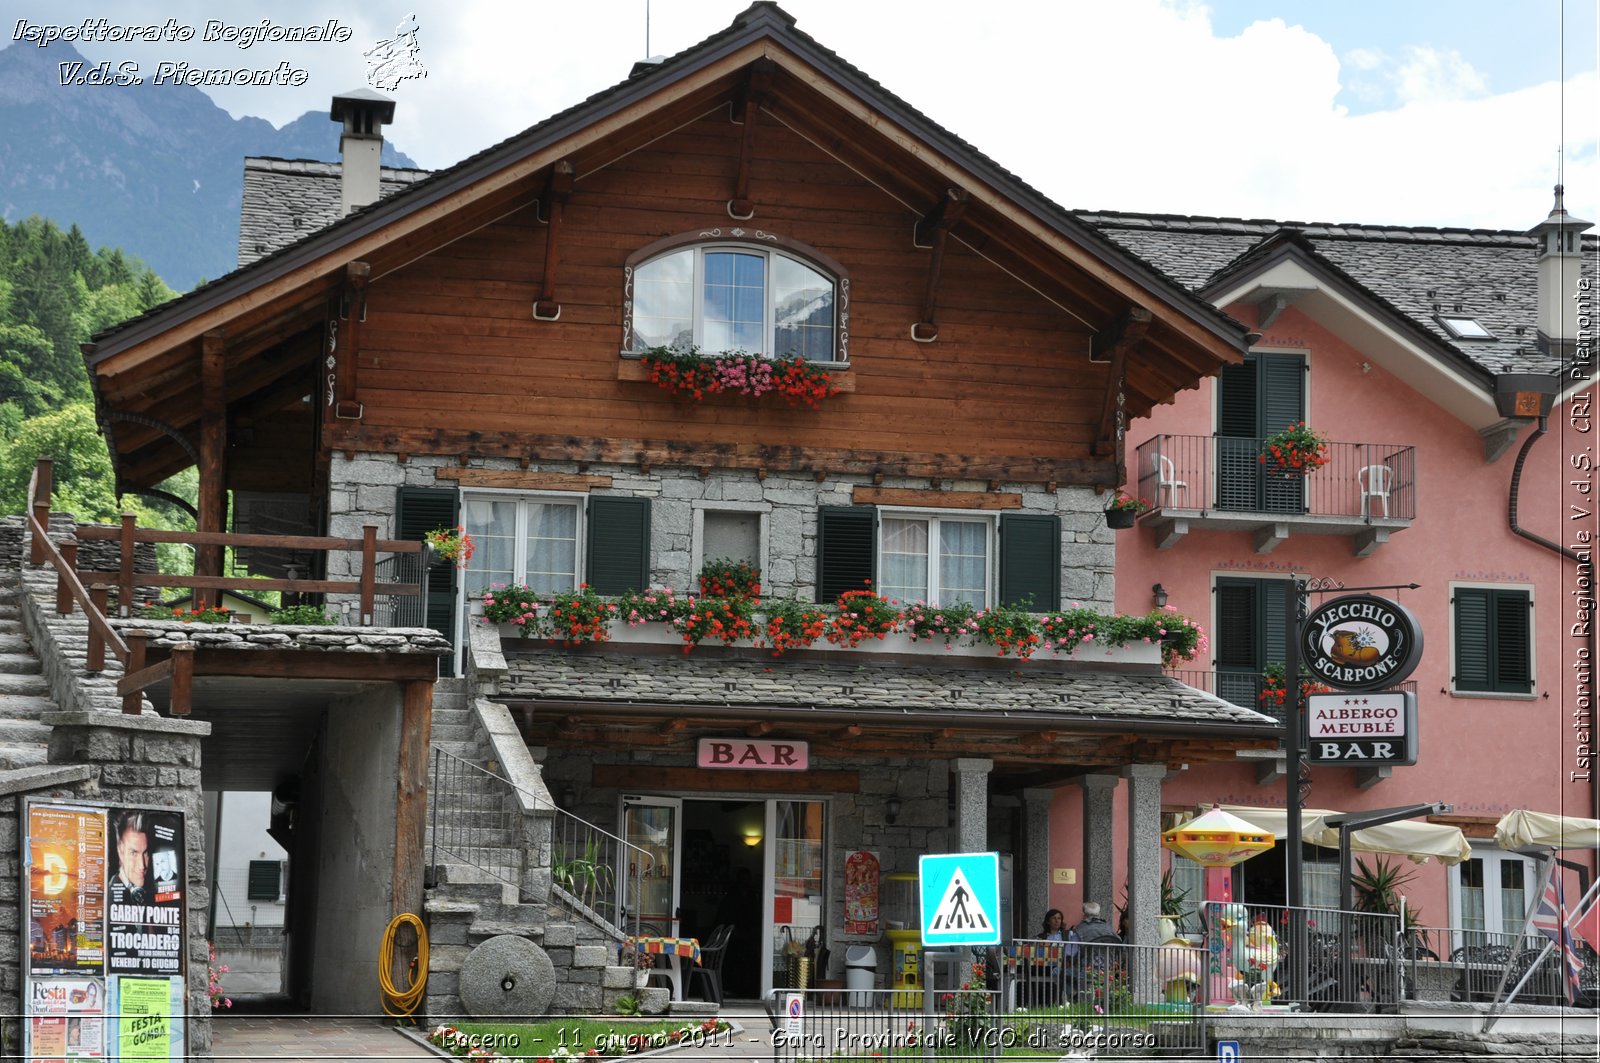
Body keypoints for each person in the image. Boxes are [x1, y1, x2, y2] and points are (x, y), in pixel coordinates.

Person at [1062, 901, 1121, 1002]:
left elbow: (1069, 953)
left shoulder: (1081, 929)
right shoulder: (1109, 928)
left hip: (1085, 971)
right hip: (1106, 971)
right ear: (1098, 914)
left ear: (1084, 914)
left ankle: (1074, 995)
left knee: (1056, 972)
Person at [109, 812, 151, 905]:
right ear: (120, 851)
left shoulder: (147, 893)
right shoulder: (111, 898)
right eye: (133, 853)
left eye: (145, 853)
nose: (142, 866)